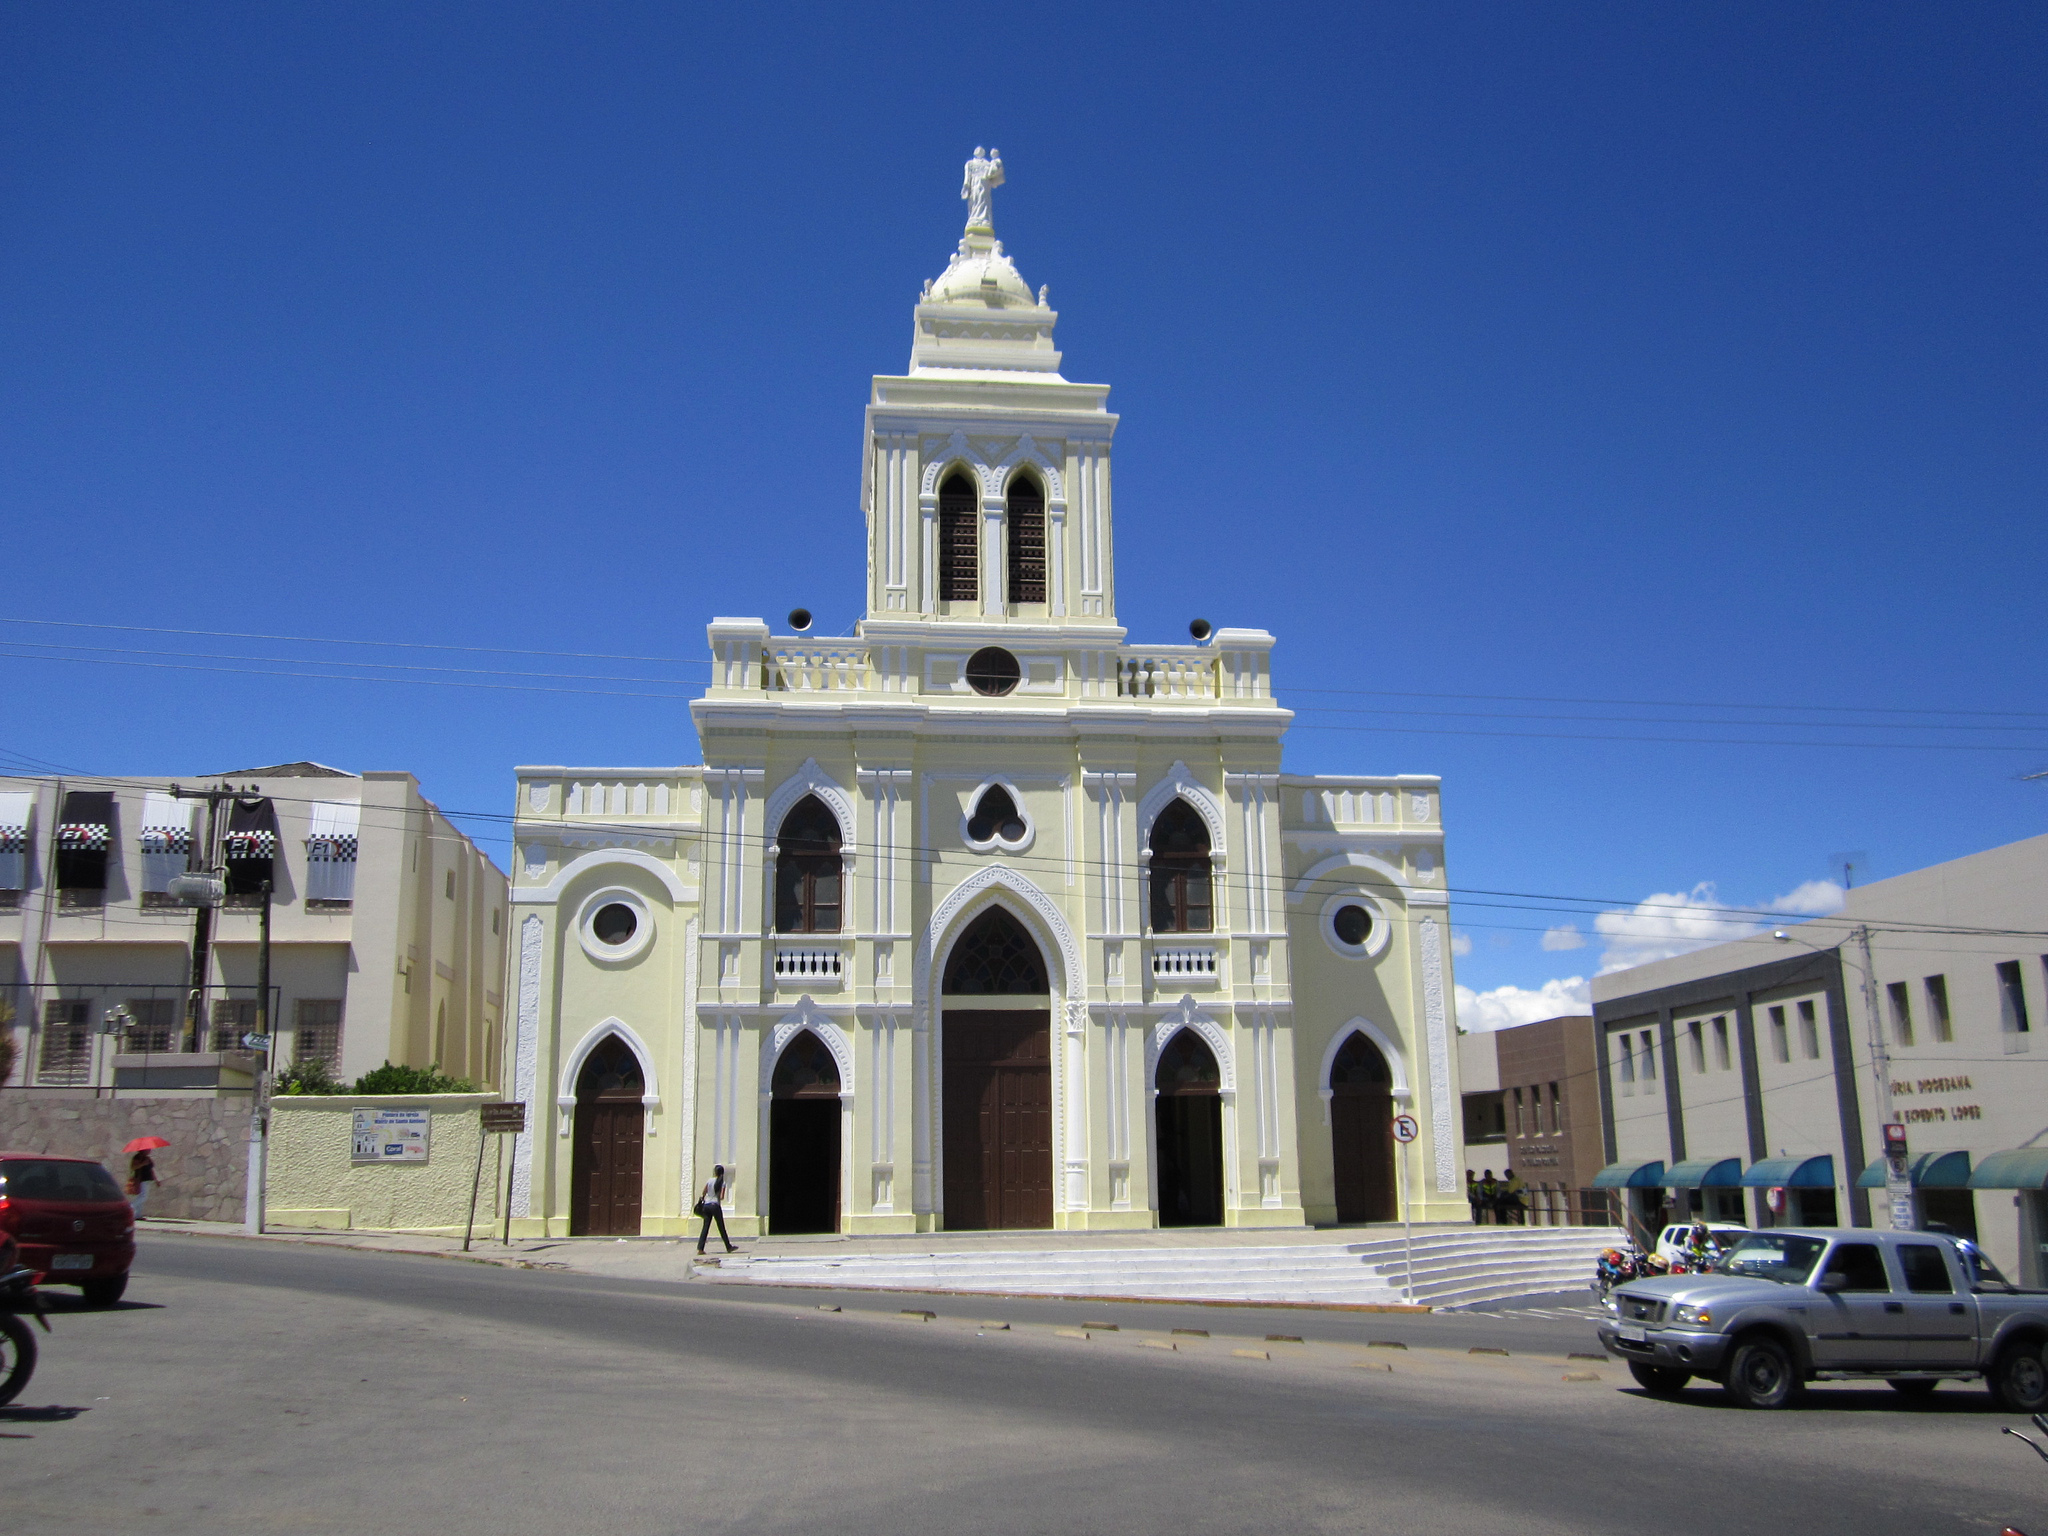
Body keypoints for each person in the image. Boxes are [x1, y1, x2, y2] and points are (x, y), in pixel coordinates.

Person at [694, 1164, 735, 1255]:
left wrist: (705, 1198)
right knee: (721, 1227)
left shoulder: (709, 1180)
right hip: (715, 1205)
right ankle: (728, 1246)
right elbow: (721, 1197)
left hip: (707, 1205)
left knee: (705, 1227)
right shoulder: (722, 1182)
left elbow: (704, 1192)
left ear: (715, 1172)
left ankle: (700, 1249)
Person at [126, 1149, 158, 1216]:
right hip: (141, 1180)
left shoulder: (147, 1158)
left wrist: (156, 1180)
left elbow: (151, 1170)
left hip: (147, 1180)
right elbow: (133, 1167)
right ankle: (129, 1208)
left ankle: (137, 1214)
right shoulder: (138, 1157)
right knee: (143, 1197)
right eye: (148, 1149)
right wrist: (142, 1164)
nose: (150, 1150)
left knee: (141, 1196)